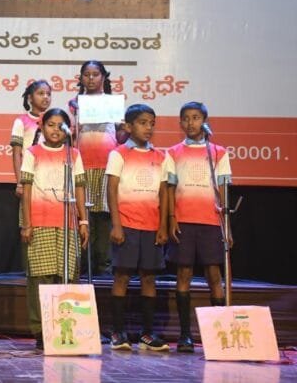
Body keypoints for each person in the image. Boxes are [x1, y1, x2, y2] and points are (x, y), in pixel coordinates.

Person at [20, 108, 89, 350]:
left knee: (66, 277)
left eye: (61, 126)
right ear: (42, 127)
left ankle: (64, 330)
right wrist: (27, 223)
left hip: (67, 223)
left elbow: (79, 187)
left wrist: (83, 221)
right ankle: (41, 330)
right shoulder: (32, 153)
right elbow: (26, 189)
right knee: (41, 278)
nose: (56, 130)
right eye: (51, 125)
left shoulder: (74, 154)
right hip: (40, 222)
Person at [166, 101, 232, 353]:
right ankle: (185, 335)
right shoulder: (173, 152)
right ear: (180, 123)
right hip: (184, 221)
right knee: (183, 274)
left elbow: (223, 190)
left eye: (195, 118)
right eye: (185, 118)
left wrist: (227, 226)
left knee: (214, 275)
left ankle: (219, 335)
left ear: (205, 121)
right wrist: (172, 218)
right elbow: (170, 188)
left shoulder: (218, 152)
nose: (190, 123)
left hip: (211, 222)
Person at [106, 103, 170, 351]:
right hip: (127, 224)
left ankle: (147, 334)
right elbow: (112, 190)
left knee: (149, 277)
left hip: (151, 226)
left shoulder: (161, 156)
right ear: (129, 126)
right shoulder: (119, 154)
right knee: (122, 276)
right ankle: (118, 331)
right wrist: (116, 225)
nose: (148, 128)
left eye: (152, 123)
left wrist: (162, 226)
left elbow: (163, 193)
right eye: (143, 123)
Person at [68, 60, 126, 276]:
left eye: (95, 74)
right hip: (81, 166)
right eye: (87, 74)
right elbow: (70, 137)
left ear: (103, 77)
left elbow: (120, 137)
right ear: (81, 78)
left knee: (104, 216)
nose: (91, 78)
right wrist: (77, 125)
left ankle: (104, 268)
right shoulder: (75, 104)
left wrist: (127, 130)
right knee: (84, 216)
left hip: (106, 166)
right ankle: (83, 267)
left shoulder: (112, 103)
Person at [11, 79, 52, 222]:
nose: (45, 97)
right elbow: (17, 154)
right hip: (30, 177)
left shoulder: (55, 121)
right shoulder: (22, 121)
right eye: (41, 93)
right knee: (29, 219)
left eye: (48, 94)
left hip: (51, 175)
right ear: (30, 98)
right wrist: (19, 182)